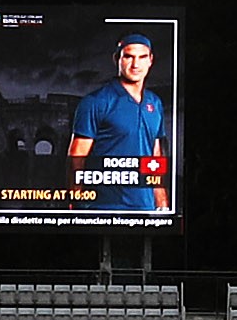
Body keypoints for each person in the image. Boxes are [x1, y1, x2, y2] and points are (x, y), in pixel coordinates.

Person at [65, 34, 171, 211]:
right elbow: (77, 156)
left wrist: (161, 201)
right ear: (117, 59)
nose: (136, 64)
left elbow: (155, 156)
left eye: (142, 57)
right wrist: (74, 200)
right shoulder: (95, 102)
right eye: (129, 56)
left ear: (150, 60)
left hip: (145, 208)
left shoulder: (155, 103)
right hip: (103, 207)